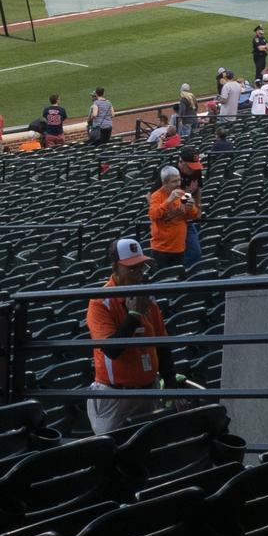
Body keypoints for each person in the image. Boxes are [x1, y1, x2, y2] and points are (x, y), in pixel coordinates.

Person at [85, 237, 171, 436]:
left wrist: (171, 385)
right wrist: (134, 316)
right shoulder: (100, 301)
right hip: (115, 395)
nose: (138, 274)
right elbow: (111, 350)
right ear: (115, 268)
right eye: (131, 269)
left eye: (141, 268)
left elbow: (163, 343)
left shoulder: (148, 297)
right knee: (110, 451)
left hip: (148, 391)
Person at [146, 167, 199, 269]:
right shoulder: (156, 196)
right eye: (174, 181)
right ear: (164, 183)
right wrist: (169, 200)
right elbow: (153, 215)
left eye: (179, 180)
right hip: (161, 249)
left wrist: (191, 207)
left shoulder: (183, 194)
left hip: (179, 247)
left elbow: (194, 215)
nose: (178, 183)